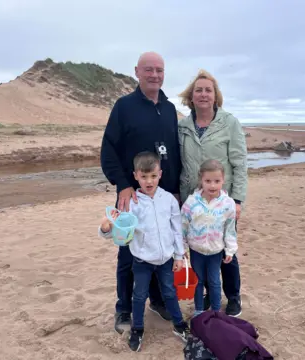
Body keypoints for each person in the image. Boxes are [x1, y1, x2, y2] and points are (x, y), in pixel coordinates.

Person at [100, 52, 182, 333]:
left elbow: (175, 152)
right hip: (131, 195)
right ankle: (123, 309)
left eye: (159, 70)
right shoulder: (124, 106)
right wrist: (122, 183)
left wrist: (178, 192)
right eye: (149, 70)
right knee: (127, 256)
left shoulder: (170, 109)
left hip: (165, 194)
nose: (155, 75)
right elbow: (108, 149)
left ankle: (158, 300)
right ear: (137, 72)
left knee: (162, 250)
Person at [99, 151, 190, 352]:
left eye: (153, 176)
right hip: (141, 260)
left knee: (169, 292)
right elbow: (120, 233)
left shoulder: (169, 200)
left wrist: (178, 255)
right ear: (135, 176)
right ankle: (138, 329)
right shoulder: (131, 203)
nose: (149, 181)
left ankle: (179, 325)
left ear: (160, 174)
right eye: (144, 176)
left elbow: (177, 229)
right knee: (139, 296)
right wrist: (107, 227)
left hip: (166, 259)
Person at [177, 69, 248, 317]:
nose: (204, 94)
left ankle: (234, 297)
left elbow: (239, 164)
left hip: (221, 201)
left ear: (215, 95)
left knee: (225, 250)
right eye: (199, 90)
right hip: (192, 200)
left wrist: (237, 200)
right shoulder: (183, 125)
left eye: (208, 90)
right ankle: (206, 295)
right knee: (198, 250)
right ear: (191, 96)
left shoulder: (230, 123)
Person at [181, 159, 238, 317]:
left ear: (223, 180)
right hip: (196, 250)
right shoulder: (191, 202)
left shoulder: (228, 204)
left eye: (217, 181)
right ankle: (199, 310)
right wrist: (182, 247)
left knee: (214, 282)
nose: (212, 185)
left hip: (215, 251)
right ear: (201, 180)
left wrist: (230, 250)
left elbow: (230, 229)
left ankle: (215, 311)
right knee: (198, 281)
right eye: (208, 181)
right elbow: (183, 225)